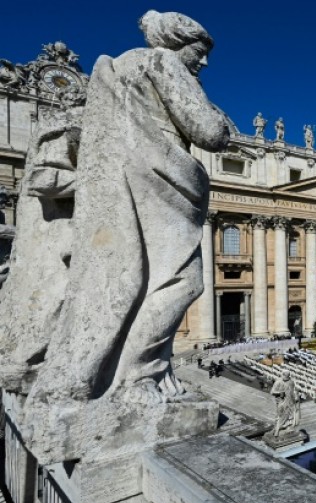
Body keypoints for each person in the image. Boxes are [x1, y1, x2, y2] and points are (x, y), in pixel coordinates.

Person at [26, 10, 230, 413]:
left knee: (134, 279)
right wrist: (221, 118)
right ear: (175, 42)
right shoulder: (161, 61)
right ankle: (139, 374)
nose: (203, 62)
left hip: (132, 182)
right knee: (182, 282)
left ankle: (127, 372)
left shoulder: (121, 68)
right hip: (160, 181)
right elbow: (210, 131)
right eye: (199, 51)